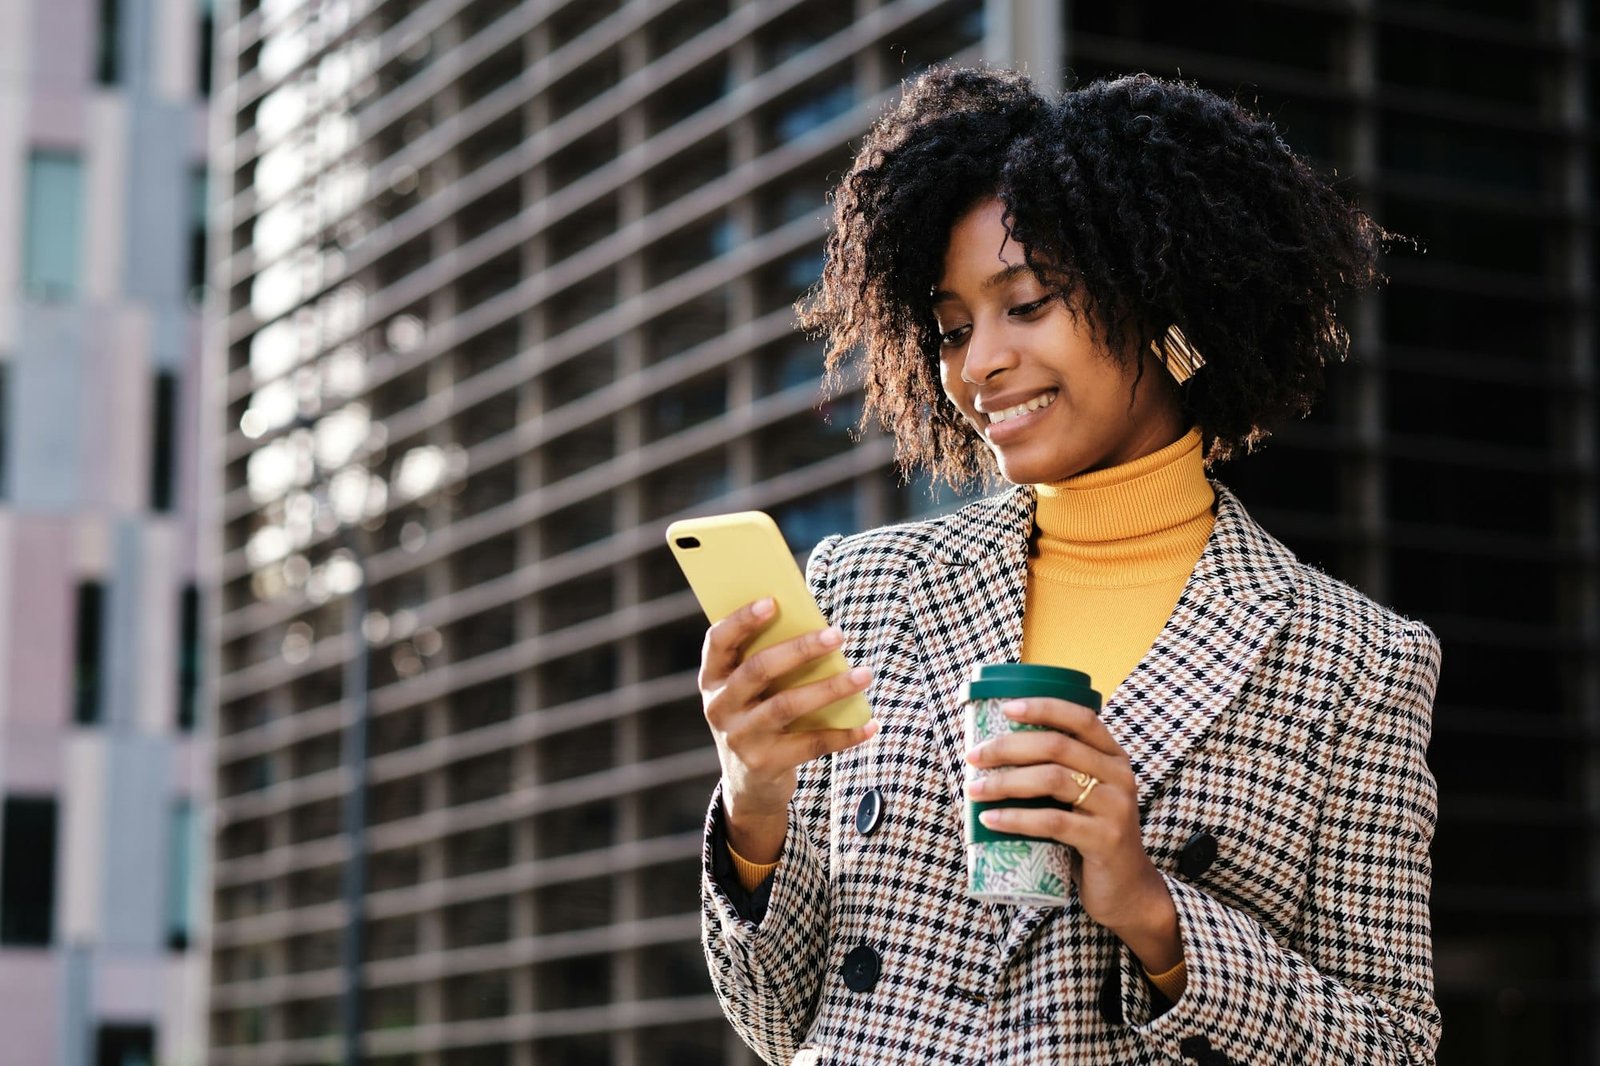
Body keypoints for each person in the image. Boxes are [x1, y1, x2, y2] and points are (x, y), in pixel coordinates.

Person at [695, 66, 1440, 1065]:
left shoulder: (1355, 660)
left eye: (1028, 303)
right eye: (952, 327)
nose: (977, 364)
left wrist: (1151, 909)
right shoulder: (860, 590)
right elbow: (780, 1019)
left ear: (1163, 306)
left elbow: (1388, 1045)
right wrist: (752, 804)